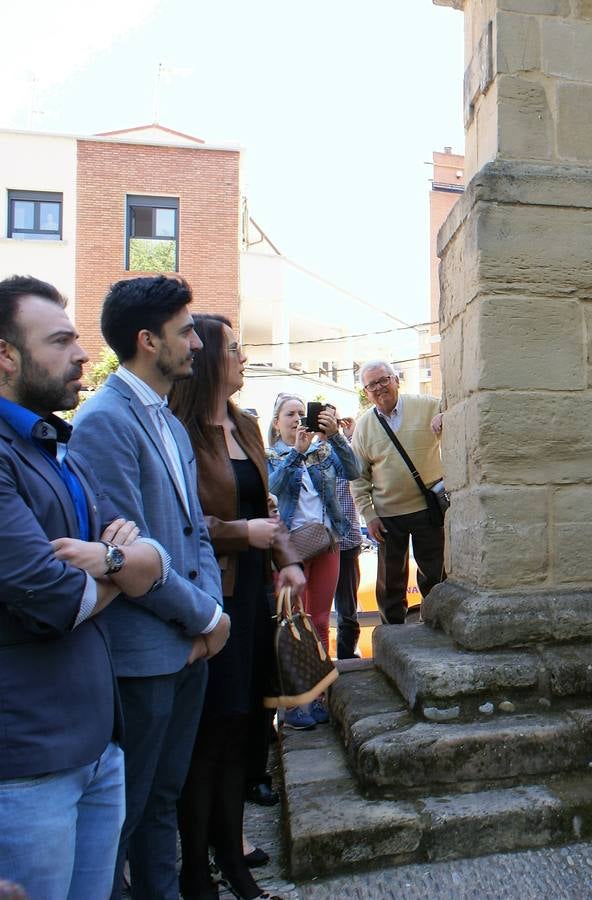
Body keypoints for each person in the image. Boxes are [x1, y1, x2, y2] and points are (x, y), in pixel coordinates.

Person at [0, 276, 171, 900]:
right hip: (27, 766)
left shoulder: (50, 446)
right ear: (5, 355)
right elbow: (53, 598)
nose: (82, 353)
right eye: (62, 340)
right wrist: (120, 568)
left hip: (99, 744)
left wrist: (109, 558)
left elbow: (147, 555)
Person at [70, 275, 231, 900]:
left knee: (163, 800)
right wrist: (207, 620)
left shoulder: (165, 415)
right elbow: (133, 559)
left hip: (188, 645)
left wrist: (212, 615)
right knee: (125, 815)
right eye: (185, 331)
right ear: (147, 340)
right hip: (143, 656)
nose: (197, 342)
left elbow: (191, 536)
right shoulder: (104, 421)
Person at [168, 315, 304, 899]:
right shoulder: (177, 428)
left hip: (252, 592)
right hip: (209, 594)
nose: (244, 357)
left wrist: (287, 556)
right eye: (235, 349)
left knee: (245, 725)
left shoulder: (247, 424)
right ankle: (197, 870)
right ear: (206, 361)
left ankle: (233, 857)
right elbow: (179, 521)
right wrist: (238, 534)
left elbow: (266, 508)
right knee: (211, 734)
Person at [268, 393, 359, 727]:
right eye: (289, 414)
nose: (296, 419)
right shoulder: (271, 455)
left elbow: (354, 470)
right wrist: (295, 453)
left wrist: (334, 436)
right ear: (276, 422)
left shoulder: (323, 451)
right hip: (288, 547)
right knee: (292, 621)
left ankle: (317, 697)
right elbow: (274, 487)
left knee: (320, 620)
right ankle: (294, 705)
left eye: (301, 413)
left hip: (326, 542)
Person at [350, 361, 445, 625]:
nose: (379, 388)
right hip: (387, 515)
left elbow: (456, 402)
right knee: (390, 581)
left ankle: (436, 625)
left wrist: (444, 415)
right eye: (372, 385)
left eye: (384, 380)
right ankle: (391, 633)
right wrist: (368, 515)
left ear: (396, 381)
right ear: (365, 393)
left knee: (435, 575)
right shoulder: (364, 425)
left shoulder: (426, 405)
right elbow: (358, 476)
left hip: (428, 508)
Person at [332, 414, 365, 660]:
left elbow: (358, 469)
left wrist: (349, 435)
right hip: (317, 543)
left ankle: (346, 659)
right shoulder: (307, 450)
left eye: (332, 418)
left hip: (347, 541)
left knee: (347, 610)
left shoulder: (344, 450)